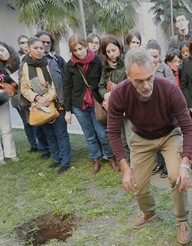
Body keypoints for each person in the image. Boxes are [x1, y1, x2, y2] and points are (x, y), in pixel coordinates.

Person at [106, 48, 192, 245]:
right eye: (139, 81)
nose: (146, 85)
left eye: (149, 78)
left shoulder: (170, 89)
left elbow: (188, 128)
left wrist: (185, 163)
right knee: (137, 183)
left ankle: (182, 220)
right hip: (141, 138)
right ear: (128, 76)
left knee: (176, 175)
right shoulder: (119, 94)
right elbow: (112, 132)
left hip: (169, 134)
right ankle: (148, 212)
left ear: (154, 68)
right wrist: (125, 169)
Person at [63, 34, 118, 173]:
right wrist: (68, 110)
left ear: (86, 46)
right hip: (79, 105)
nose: (79, 52)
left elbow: (104, 80)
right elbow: (67, 87)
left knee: (102, 134)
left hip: (96, 103)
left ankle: (111, 158)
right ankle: (96, 160)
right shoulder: (70, 65)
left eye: (80, 48)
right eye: (75, 50)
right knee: (89, 135)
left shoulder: (97, 61)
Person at [20, 37, 72, 174]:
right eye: (36, 48)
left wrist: (46, 99)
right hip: (39, 106)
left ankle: (65, 162)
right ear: (29, 49)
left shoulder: (51, 64)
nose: (39, 51)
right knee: (49, 134)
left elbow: (58, 85)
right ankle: (56, 159)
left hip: (56, 104)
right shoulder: (25, 66)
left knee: (60, 133)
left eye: (41, 48)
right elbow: (24, 88)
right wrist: (36, 98)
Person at [146, 39, 174, 178]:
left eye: (156, 56)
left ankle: (167, 166)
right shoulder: (143, 69)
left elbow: (172, 90)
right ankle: (159, 162)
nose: (153, 59)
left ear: (160, 56)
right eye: (150, 56)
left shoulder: (166, 69)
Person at [98, 35, 128, 164]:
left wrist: (117, 91)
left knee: (131, 136)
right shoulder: (105, 68)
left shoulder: (127, 63)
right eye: (108, 52)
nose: (112, 54)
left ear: (120, 49)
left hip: (128, 106)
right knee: (120, 137)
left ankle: (137, 163)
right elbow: (100, 86)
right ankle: (126, 162)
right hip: (114, 108)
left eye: (114, 50)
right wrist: (105, 94)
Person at [0, 41, 19, 165]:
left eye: (1, 50)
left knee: (6, 127)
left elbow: (11, 81)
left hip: (2, 99)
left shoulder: (5, 67)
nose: (0, 53)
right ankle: (0, 157)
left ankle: (10, 153)